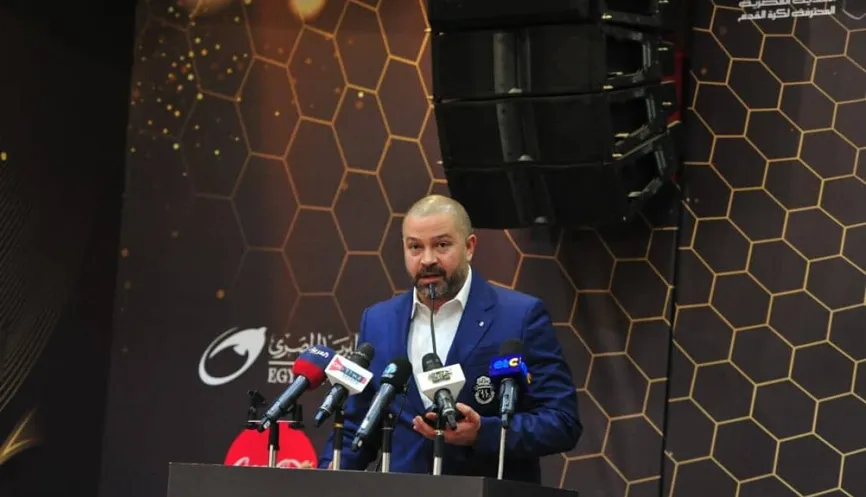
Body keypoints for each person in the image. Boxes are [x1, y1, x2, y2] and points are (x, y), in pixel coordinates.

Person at [316, 194, 581, 482]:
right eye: (415, 247)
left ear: (469, 247)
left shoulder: (519, 316)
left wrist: (483, 433)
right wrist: (326, 474)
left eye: (441, 245)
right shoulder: (379, 320)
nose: (428, 259)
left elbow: (561, 421)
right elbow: (359, 423)